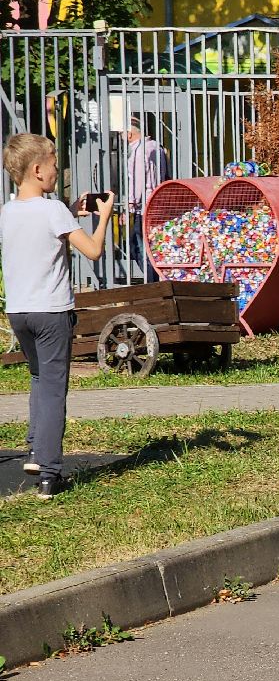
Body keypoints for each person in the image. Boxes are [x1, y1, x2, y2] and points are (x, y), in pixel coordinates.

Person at [1, 133, 114, 498]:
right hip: (52, 311)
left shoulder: (8, 210)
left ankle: (36, 447)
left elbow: (41, 223)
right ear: (37, 169)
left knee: (38, 377)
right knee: (53, 388)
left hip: (20, 311)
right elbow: (93, 251)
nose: (56, 170)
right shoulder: (54, 211)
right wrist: (104, 217)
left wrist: (71, 209)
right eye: (53, 164)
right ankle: (49, 472)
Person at [125, 115, 168, 284]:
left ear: (129, 134)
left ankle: (152, 284)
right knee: (151, 246)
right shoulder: (157, 146)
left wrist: (131, 203)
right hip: (157, 202)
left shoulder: (138, 150)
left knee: (139, 247)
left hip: (143, 206)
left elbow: (138, 180)